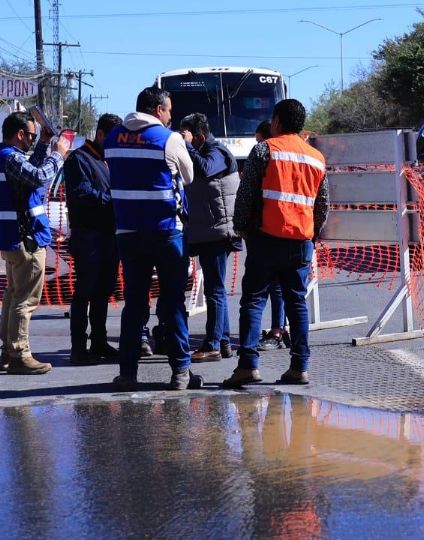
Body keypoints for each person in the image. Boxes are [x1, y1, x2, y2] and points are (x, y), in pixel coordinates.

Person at [224, 99, 330, 388]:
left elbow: (245, 196)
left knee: (254, 300)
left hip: (266, 239)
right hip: (300, 241)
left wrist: (242, 228)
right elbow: (322, 206)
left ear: (278, 121)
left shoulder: (264, 150)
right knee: (296, 302)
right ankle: (299, 367)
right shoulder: (316, 158)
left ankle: (247, 365)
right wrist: (312, 232)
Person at [105, 86, 201, 391]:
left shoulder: (112, 138)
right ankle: (181, 373)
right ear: (157, 110)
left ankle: (128, 373)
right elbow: (190, 177)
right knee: (172, 303)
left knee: (134, 304)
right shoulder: (169, 139)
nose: (171, 115)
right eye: (169, 110)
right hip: (166, 232)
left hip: (129, 233)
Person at [0, 111, 69, 375]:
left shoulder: (1, 157)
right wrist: (58, 154)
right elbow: (37, 177)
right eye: (32, 136)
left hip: (13, 237)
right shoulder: (10, 157)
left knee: (12, 298)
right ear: (20, 134)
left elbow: (28, 174)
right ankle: (20, 354)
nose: (33, 141)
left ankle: (8, 352)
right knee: (25, 301)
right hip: (27, 238)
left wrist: (45, 145)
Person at [180, 112, 241, 362]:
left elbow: (205, 170)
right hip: (208, 231)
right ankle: (223, 342)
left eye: (188, 136)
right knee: (215, 289)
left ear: (200, 136)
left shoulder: (218, 152)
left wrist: (185, 146)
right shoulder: (205, 150)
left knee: (215, 291)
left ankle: (212, 343)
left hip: (218, 232)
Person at [65, 113, 122, 366]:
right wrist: (113, 202)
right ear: (100, 134)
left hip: (109, 235)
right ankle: (79, 348)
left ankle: (99, 341)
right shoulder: (79, 159)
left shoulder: (108, 160)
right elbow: (81, 193)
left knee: (103, 291)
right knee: (84, 292)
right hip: (88, 235)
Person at [252, 120, 290, 351]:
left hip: (270, 231)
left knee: (266, 290)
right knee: (286, 290)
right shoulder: (294, 157)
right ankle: (282, 331)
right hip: (293, 231)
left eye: (259, 142)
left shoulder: (266, 158)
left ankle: (277, 331)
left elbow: (249, 196)